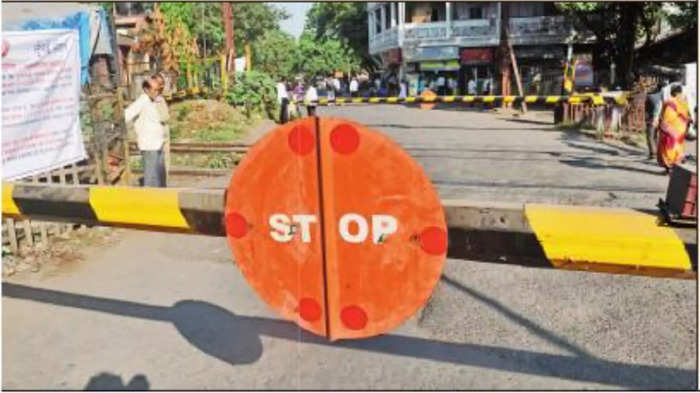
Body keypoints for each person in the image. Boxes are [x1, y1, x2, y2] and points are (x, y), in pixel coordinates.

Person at [125, 79, 166, 187]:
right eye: (155, 90)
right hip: (149, 145)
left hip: (158, 143)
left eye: (159, 90)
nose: (157, 92)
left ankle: (161, 198)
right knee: (152, 176)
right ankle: (151, 200)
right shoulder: (142, 101)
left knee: (160, 175)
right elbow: (127, 114)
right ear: (146, 89)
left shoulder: (154, 100)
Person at [657, 85, 693, 173]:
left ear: (674, 92)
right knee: (677, 147)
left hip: (671, 129)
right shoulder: (684, 102)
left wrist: (661, 124)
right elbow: (688, 116)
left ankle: (669, 168)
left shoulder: (670, 102)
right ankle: (673, 167)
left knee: (668, 147)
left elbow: (667, 116)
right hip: (681, 129)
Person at [151, 73, 170, 183]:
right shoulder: (154, 100)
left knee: (164, 160)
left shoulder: (160, 99)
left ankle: (162, 182)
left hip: (163, 132)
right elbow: (164, 117)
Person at [645, 83, 664, 159]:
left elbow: (646, 111)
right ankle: (657, 151)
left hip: (652, 118)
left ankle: (653, 153)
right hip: (661, 118)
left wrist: (646, 120)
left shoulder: (650, 97)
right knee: (656, 136)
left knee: (650, 136)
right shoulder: (663, 96)